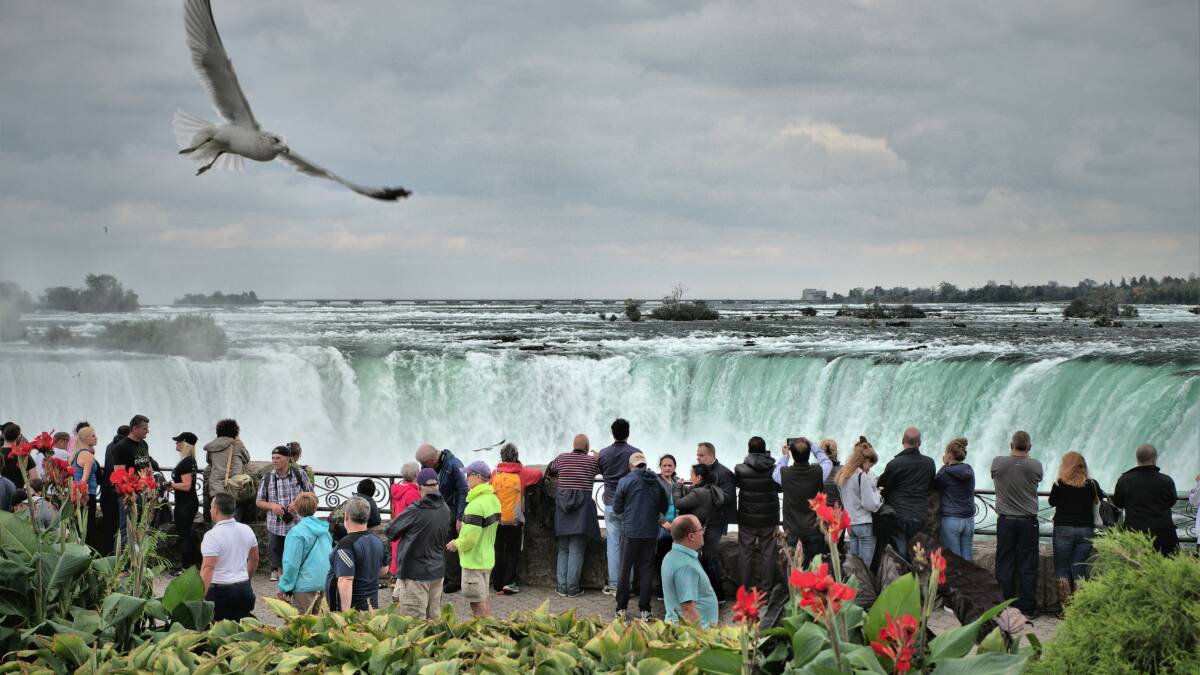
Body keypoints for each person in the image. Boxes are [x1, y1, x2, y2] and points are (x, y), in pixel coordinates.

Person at [386, 468, 454, 618]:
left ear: (419, 487)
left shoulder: (415, 510)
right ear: (438, 485)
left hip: (415, 573)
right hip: (437, 571)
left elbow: (391, 532)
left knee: (414, 623)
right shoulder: (445, 509)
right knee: (433, 620)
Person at [991, 430, 1043, 618]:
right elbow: (1037, 478)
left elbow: (996, 476)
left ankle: (1004, 607)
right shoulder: (1035, 465)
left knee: (1004, 563)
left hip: (1005, 521)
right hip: (1028, 522)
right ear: (1029, 447)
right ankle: (1028, 608)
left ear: (1011, 445)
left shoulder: (998, 462)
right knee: (1028, 565)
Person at [612, 451, 668, 620]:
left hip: (630, 532)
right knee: (646, 571)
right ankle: (645, 610)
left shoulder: (625, 480)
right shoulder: (656, 481)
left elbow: (617, 508)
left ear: (631, 466)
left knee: (624, 570)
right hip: (650, 533)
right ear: (645, 464)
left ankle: (621, 609)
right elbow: (664, 507)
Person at [545, 433, 601, 598]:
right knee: (577, 549)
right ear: (587, 447)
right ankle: (572, 588)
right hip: (582, 512)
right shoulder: (591, 462)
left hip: (562, 510)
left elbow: (550, 470)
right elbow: (605, 470)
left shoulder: (562, 458)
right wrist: (598, 458)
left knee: (563, 549)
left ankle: (562, 587)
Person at [447, 461, 501, 617]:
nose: (466, 478)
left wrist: (456, 543)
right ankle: (489, 628)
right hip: (486, 557)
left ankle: (485, 629)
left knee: (477, 604)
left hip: (474, 561)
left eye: (468, 475)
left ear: (478, 477)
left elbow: (470, 539)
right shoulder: (493, 500)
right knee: (483, 599)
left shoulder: (475, 506)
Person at [1047, 451, 1101, 609]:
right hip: (1085, 530)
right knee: (1078, 568)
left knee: (1062, 569)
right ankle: (1080, 607)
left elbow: (1052, 502)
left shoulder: (1060, 484)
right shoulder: (1092, 484)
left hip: (1063, 529)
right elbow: (1100, 499)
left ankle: (1066, 608)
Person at [489, 443, 543, 594]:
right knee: (512, 551)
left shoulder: (495, 473)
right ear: (516, 456)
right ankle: (508, 583)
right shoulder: (522, 473)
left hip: (497, 519)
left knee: (498, 550)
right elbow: (539, 475)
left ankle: (497, 583)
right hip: (514, 521)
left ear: (501, 456)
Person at [255, 446, 314, 582]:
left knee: (297, 553)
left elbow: (311, 494)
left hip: (297, 523)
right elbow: (258, 501)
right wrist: (273, 506)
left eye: (278, 458)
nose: (274, 461)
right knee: (277, 554)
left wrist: (298, 503)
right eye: (273, 458)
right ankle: (281, 580)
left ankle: (293, 580)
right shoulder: (268, 477)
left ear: (287, 459)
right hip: (275, 525)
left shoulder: (300, 474)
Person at [416, 444, 469, 594]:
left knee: (449, 545)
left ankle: (454, 580)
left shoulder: (453, 465)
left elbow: (463, 491)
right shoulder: (431, 464)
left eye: (425, 464)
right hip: (438, 508)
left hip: (451, 509)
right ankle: (443, 576)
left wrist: (459, 517)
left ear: (433, 459)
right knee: (439, 544)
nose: (423, 467)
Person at [597, 418, 640, 596]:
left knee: (613, 545)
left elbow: (601, 470)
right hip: (630, 506)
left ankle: (615, 585)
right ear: (628, 433)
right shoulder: (635, 453)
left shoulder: (603, 454)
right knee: (628, 545)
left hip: (610, 505)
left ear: (612, 432)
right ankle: (628, 585)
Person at [878, 427, 935, 561]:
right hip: (920, 516)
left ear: (903, 440)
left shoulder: (894, 464)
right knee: (917, 555)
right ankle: (916, 574)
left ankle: (902, 574)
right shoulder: (929, 463)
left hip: (898, 515)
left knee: (899, 555)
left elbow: (883, 487)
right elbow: (931, 485)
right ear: (919, 443)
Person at [200, 493, 259, 622]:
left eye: (211, 507)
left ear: (216, 509)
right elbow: (254, 559)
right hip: (244, 589)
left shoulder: (212, 535)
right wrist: (246, 579)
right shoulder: (247, 530)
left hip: (220, 592)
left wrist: (200, 596)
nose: (210, 510)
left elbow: (208, 568)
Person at [1112, 444, 1180, 556]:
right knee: (1167, 564)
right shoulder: (1166, 480)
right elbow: (1172, 501)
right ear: (1154, 459)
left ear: (1137, 459)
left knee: (1135, 565)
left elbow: (1118, 503)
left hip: (1134, 533)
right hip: (1163, 533)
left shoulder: (1124, 480)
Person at [327, 496, 387, 611]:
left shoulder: (346, 545)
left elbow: (346, 579)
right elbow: (384, 570)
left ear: (346, 516)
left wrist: (345, 615)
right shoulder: (379, 541)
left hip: (354, 612)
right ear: (367, 517)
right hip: (372, 608)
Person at [735, 436, 779, 592]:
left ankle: (744, 589)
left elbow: (739, 484)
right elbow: (780, 488)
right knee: (769, 554)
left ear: (748, 450)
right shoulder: (775, 469)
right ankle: (766, 590)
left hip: (747, 519)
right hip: (769, 519)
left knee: (745, 553)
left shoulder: (740, 469)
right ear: (765, 450)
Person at [277, 492, 332, 614]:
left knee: (302, 623)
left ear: (296, 508)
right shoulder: (325, 531)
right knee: (320, 623)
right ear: (315, 508)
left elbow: (291, 563)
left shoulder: (296, 533)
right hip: (324, 583)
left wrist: (284, 587)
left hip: (304, 586)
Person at [660, 515, 719, 628]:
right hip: (692, 634)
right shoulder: (685, 566)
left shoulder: (672, 555)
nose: (703, 533)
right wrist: (702, 637)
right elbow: (688, 611)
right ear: (691, 536)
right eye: (701, 529)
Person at [777, 438, 826, 568]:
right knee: (815, 568)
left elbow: (775, 472)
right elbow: (826, 461)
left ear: (792, 454)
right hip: (814, 527)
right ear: (809, 454)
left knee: (793, 567)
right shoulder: (818, 471)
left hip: (792, 529)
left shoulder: (784, 473)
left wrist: (785, 457)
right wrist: (813, 446)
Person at [696, 441, 735, 601]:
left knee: (710, 557)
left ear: (711, 455)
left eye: (701, 455)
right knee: (704, 557)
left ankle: (719, 596)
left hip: (716, 521)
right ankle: (708, 594)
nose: (698, 458)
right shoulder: (702, 471)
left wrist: (707, 495)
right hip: (704, 521)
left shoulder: (724, 473)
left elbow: (729, 498)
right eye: (697, 455)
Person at [837, 437, 882, 565]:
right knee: (864, 567)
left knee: (854, 565)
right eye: (870, 465)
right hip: (864, 524)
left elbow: (844, 500)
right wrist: (878, 496)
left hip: (851, 524)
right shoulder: (862, 477)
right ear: (865, 460)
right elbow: (870, 504)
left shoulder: (843, 476)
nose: (869, 469)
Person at [108, 415, 151, 548]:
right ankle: (124, 558)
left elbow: (147, 465)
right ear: (135, 428)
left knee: (142, 528)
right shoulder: (121, 447)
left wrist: (150, 486)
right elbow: (119, 475)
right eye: (145, 429)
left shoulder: (143, 444)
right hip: (130, 495)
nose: (148, 431)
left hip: (145, 493)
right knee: (126, 529)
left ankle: (139, 557)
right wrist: (130, 495)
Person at [935, 437, 975, 560]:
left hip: (951, 521)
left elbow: (934, 483)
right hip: (969, 521)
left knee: (955, 562)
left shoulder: (945, 473)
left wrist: (945, 465)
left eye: (945, 452)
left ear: (950, 455)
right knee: (967, 562)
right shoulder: (969, 470)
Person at [203, 419, 250, 522]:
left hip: (216, 488)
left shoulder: (212, 446)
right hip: (233, 487)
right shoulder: (237, 445)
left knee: (217, 517)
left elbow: (209, 461)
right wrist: (238, 440)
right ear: (235, 431)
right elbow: (246, 458)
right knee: (233, 519)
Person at [169, 432, 202, 572]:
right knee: (186, 534)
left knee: (184, 535)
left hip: (185, 504)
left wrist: (170, 485)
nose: (176, 444)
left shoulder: (186, 462)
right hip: (188, 502)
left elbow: (187, 486)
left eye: (178, 441)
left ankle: (185, 567)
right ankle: (192, 564)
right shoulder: (190, 461)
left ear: (185, 444)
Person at [98, 424, 130, 555]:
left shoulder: (109, 446)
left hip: (106, 491)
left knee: (108, 526)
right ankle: (121, 555)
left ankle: (107, 554)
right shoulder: (125, 447)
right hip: (118, 491)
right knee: (123, 526)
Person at [653, 454, 682, 595]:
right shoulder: (656, 482)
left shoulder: (678, 481)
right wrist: (663, 521)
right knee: (663, 557)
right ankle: (662, 589)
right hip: (663, 525)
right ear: (660, 467)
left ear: (674, 467)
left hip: (677, 524)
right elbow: (652, 505)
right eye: (664, 465)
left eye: (670, 465)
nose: (667, 468)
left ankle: (676, 587)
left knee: (677, 558)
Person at [388, 462, 421, 576]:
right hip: (408, 531)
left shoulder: (397, 489)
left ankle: (395, 578)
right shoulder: (413, 493)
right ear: (417, 474)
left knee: (397, 554)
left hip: (397, 528)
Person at [70, 425, 100, 543]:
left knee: (79, 527)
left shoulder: (76, 454)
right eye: (93, 436)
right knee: (87, 529)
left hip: (77, 495)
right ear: (86, 439)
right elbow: (84, 479)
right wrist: (84, 497)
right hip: (86, 495)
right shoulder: (87, 455)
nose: (96, 438)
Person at [674, 463, 725, 531]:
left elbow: (678, 504)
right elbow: (692, 493)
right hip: (706, 528)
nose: (690, 478)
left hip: (694, 529)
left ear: (698, 477)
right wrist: (683, 486)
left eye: (691, 476)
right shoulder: (710, 489)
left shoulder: (698, 493)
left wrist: (677, 486)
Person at [1, 423, 37, 489]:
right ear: (18, 437)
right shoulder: (24, 455)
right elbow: (34, 478)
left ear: (3, 436)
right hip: (20, 493)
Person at [819, 440, 842, 506]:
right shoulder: (844, 470)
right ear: (836, 452)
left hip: (821, 511)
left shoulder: (815, 470)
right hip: (840, 510)